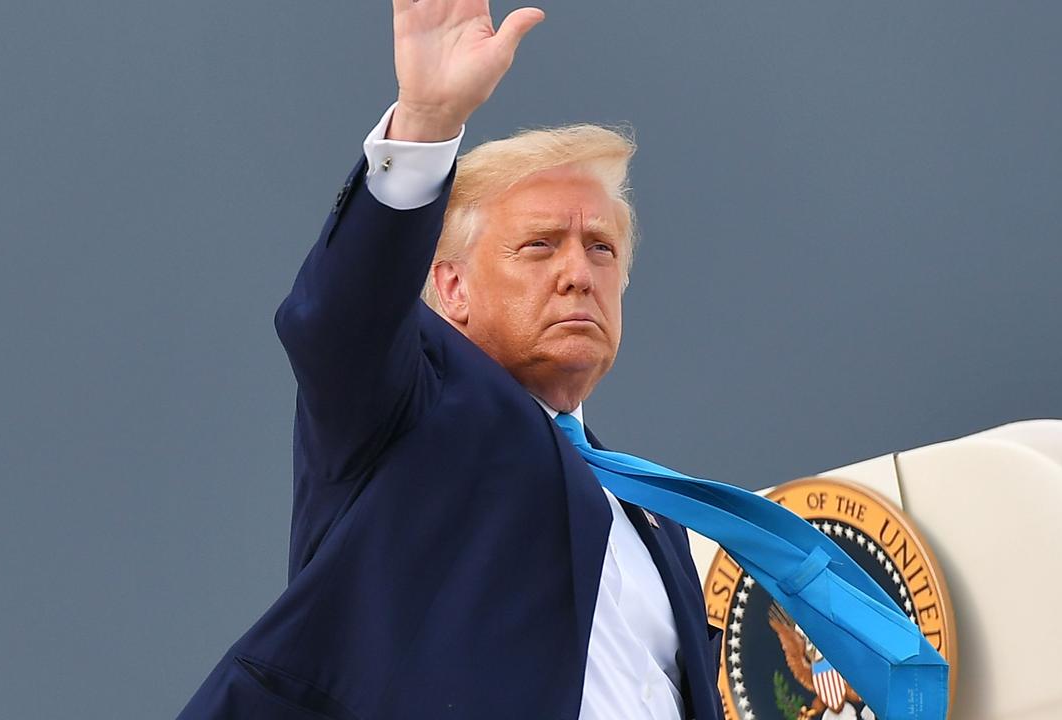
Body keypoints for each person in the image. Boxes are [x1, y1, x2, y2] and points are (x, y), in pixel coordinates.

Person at [178, 1, 724, 717]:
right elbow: (336, 323)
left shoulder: (655, 517)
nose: (578, 273)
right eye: (539, 245)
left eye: (602, 249)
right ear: (452, 285)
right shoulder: (406, 408)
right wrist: (427, 124)